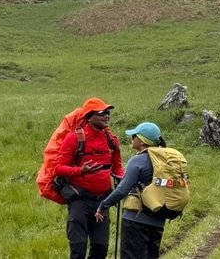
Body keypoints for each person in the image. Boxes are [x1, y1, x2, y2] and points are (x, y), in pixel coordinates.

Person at [53, 98, 123, 259]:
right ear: (89, 117)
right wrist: (81, 171)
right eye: (101, 113)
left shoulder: (111, 139)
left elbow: (117, 166)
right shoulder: (74, 138)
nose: (106, 116)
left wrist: (123, 181)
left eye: (108, 112)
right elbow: (58, 168)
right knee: (78, 250)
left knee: (101, 250)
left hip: (103, 201)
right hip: (80, 200)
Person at [97, 122, 169, 259]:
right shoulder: (164, 160)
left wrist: (103, 205)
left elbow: (121, 191)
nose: (132, 138)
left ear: (141, 141)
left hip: (136, 219)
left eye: (134, 136)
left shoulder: (137, 160)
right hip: (158, 219)